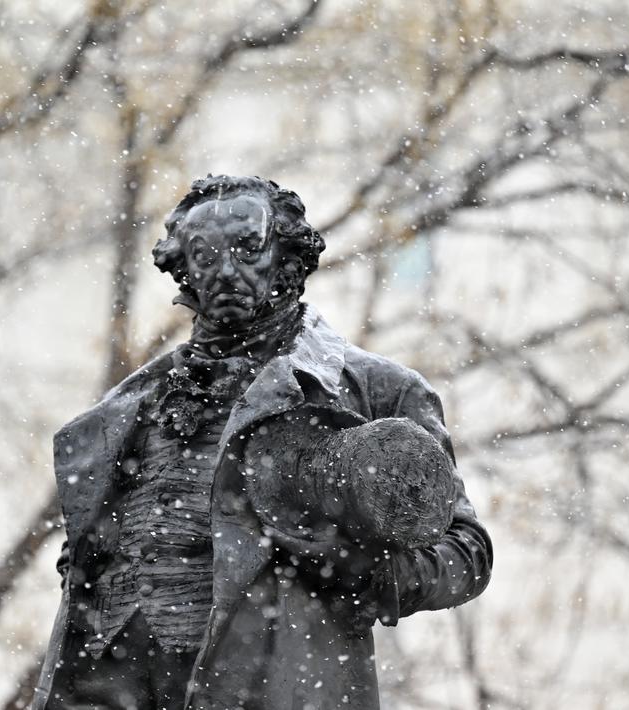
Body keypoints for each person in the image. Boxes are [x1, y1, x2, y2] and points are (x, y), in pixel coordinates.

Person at [32, 175, 493, 710]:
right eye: (204, 254)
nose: (226, 271)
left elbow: (468, 553)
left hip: (271, 685)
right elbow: (88, 555)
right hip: (115, 688)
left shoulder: (376, 389)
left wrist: (365, 575)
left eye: (248, 248)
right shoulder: (130, 404)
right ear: (183, 268)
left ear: (287, 256)